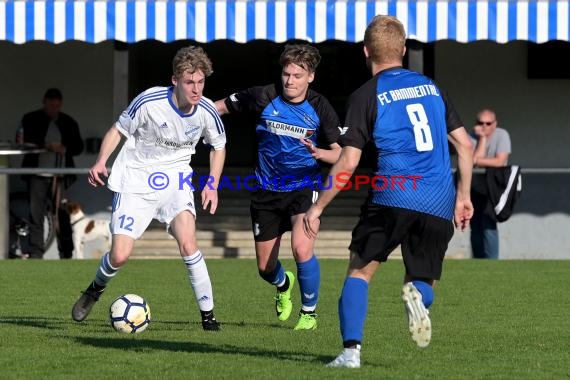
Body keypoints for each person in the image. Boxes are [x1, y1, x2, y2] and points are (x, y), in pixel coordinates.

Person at [303, 15, 474, 368]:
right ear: (404, 49)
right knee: (422, 279)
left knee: (360, 271)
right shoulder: (432, 88)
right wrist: (464, 196)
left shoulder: (367, 94)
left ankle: (351, 353)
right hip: (439, 198)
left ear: (366, 52)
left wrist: (318, 207)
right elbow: (465, 145)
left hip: (392, 193)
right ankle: (418, 297)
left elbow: (348, 162)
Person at [71, 46, 226, 331]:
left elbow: (218, 146)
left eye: (201, 82)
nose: (196, 89)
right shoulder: (148, 102)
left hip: (176, 180)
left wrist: (212, 184)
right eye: (190, 82)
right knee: (119, 255)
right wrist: (101, 161)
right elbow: (118, 130)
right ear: (175, 80)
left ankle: (208, 316)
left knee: (189, 244)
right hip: (136, 180)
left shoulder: (206, 111)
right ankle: (95, 289)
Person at [214, 44, 341, 330]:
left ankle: (309, 313)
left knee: (301, 248)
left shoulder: (320, 107)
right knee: (265, 268)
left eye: (297, 75)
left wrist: (320, 153)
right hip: (265, 191)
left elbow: (341, 154)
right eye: (286, 74)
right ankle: (284, 285)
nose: (290, 80)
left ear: (311, 77)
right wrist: (189, 116)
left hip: (303, 188)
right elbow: (217, 107)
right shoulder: (263, 96)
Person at [18, 88, 84, 259]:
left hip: (59, 176)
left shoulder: (68, 122)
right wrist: (45, 146)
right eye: (51, 106)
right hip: (37, 174)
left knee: (62, 214)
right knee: (36, 214)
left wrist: (64, 148)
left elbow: (78, 147)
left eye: (57, 106)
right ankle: (36, 253)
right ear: (44, 102)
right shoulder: (31, 119)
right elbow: (23, 141)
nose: (53, 109)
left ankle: (66, 252)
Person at [470, 108, 511, 259]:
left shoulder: (502, 135)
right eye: (481, 123)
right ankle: (477, 260)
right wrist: (482, 139)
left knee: (488, 224)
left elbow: (500, 161)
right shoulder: (472, 136)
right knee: (475, 225)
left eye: (488, 123)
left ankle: (491, 261)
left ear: (495, 124)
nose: (484, 126)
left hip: (493, 188)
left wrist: (477, 161)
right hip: (474, 187)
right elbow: (471, 162)